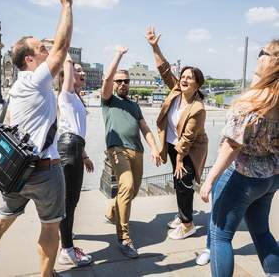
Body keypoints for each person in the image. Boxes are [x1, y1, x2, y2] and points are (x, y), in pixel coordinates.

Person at [0, 0, 72, 277]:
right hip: (44, 170)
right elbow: (63, 46)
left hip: (16, 172)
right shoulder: (35, 79)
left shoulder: (18, 88)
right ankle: (46, 275)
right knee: (50, 228)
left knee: (1, 221)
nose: (46, 50)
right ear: (29, 59)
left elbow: (7, 125)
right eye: (41, 48)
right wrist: (65, 5)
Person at [200, 40, 279, 277]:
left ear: (270, 61)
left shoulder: (253, 101)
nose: (258, 56)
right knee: (262, 232)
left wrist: (209, 180)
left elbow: (232, 146)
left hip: (241, 176)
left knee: (220, 235)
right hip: (270, 177)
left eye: (261, 52)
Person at [145, 26, 208, 240]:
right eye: (183, 75)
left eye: (190, 77)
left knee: (183, 183)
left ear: (197, 84)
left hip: (189, 151)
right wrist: (154, 46)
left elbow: (188, 138)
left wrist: (180, 159)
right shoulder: (176, 90)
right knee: (178, 182)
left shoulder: (198, 108)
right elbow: (164, 69)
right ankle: (183, 216)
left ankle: (188, 224)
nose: (184, 79)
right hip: (173, 145)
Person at [102, 46, 161, 258]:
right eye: (119, 81)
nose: (123, 84)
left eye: (126, 81)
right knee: (126, 186)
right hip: (117, 149)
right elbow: (107, 78)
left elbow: (145, 128)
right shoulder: (108, 100)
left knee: (132, 192)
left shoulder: (134, 105)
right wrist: (118, 55)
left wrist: (154, 148)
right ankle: (124, 238)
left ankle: (113, 210)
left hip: (137, 151)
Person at [56, 55, 94, 266]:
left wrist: (84, 155)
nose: (82, 73)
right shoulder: (67, 93)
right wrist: (65, 50)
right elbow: (71, 133)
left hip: (74, 147)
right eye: (77, 70)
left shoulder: (74, 98)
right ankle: (67, 250)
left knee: (71, 202)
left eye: (83, 71)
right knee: (69, 203)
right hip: (69, 147)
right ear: (66, 77)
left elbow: (76, 129)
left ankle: (67, 244)